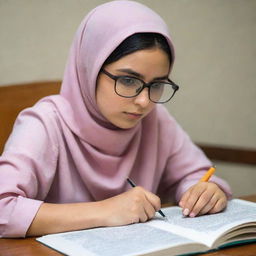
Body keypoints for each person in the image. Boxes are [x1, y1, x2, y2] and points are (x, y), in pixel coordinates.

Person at [0, 0, 232, 238]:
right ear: (89, 68)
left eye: (157, 85)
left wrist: (202, 191)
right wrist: (105, 211)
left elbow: (195, 175)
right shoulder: (45, 123)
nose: (144, 101)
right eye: (129, 80)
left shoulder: (155, 120)